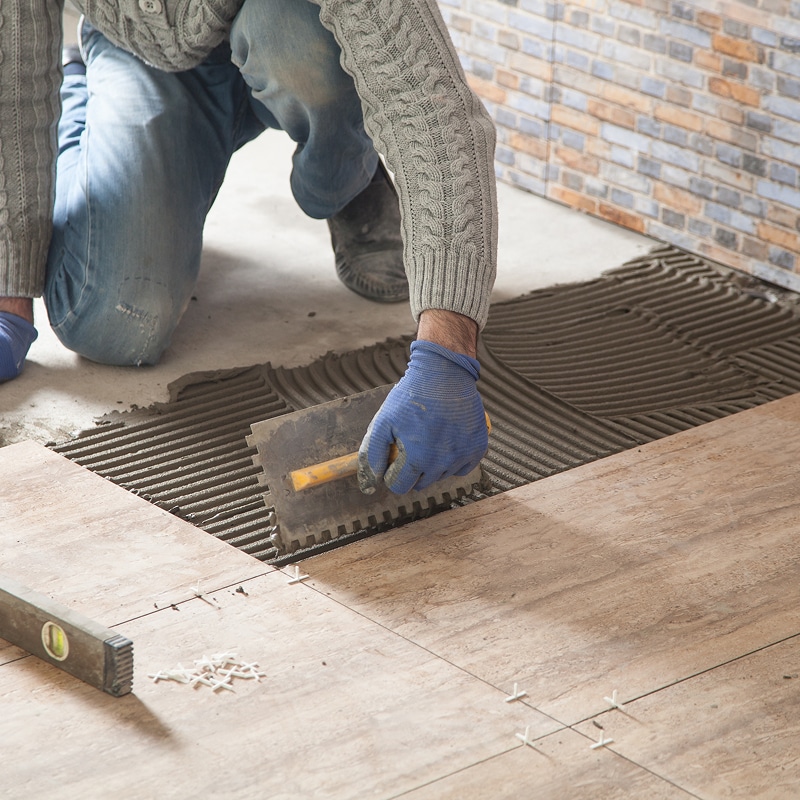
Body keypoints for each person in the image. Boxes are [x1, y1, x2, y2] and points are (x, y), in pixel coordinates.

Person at [0, 0, 498, 496]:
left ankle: (346, 176)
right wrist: (8, 290)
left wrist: (445, 354)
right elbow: (13, 78)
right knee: (112, 323)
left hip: (288, 26)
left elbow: (428, 105)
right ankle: (84, 96)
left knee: (292, 41)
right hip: (143, 51)